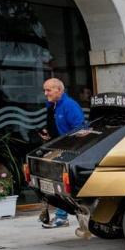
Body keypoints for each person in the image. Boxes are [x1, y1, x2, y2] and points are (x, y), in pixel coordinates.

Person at [39, 78, 85, 228]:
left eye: (49, 90)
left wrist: (71, 150)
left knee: (66, 184)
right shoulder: (53, 106)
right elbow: (56, 127)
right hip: (57, 149)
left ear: (59, 89)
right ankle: (61, 216)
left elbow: (79, 129)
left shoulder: (69, 105)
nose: (46, 93)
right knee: (59, 183)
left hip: (70, 152)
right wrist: (48, 135)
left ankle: (65, 217)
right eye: (45, 90)